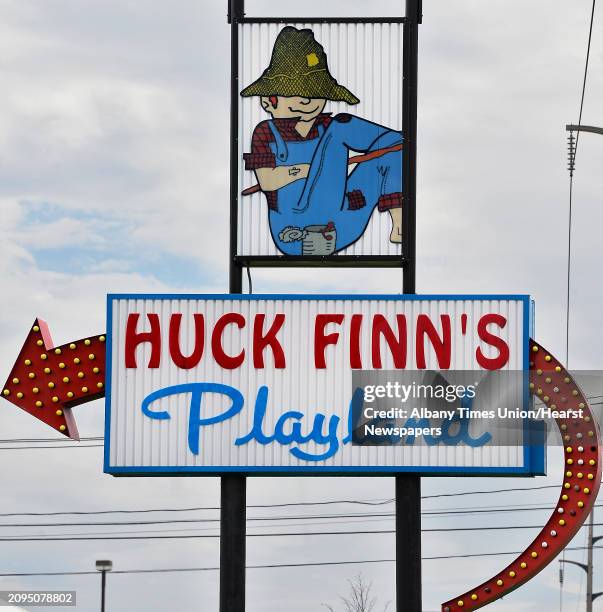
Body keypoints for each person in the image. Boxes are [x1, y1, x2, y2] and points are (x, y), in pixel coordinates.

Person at [241, 26, 403, 256]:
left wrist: (326, 171)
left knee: (394, 145)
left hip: (344, 221)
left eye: (315, 94)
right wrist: (307, 170)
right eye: (297, 93)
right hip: (295, 228)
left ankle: (399, 224)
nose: (308, 101)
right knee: (342, 125)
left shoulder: (325, 126)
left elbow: (391, 145)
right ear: (269, 101)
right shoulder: (266, 132)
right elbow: (268, 182)